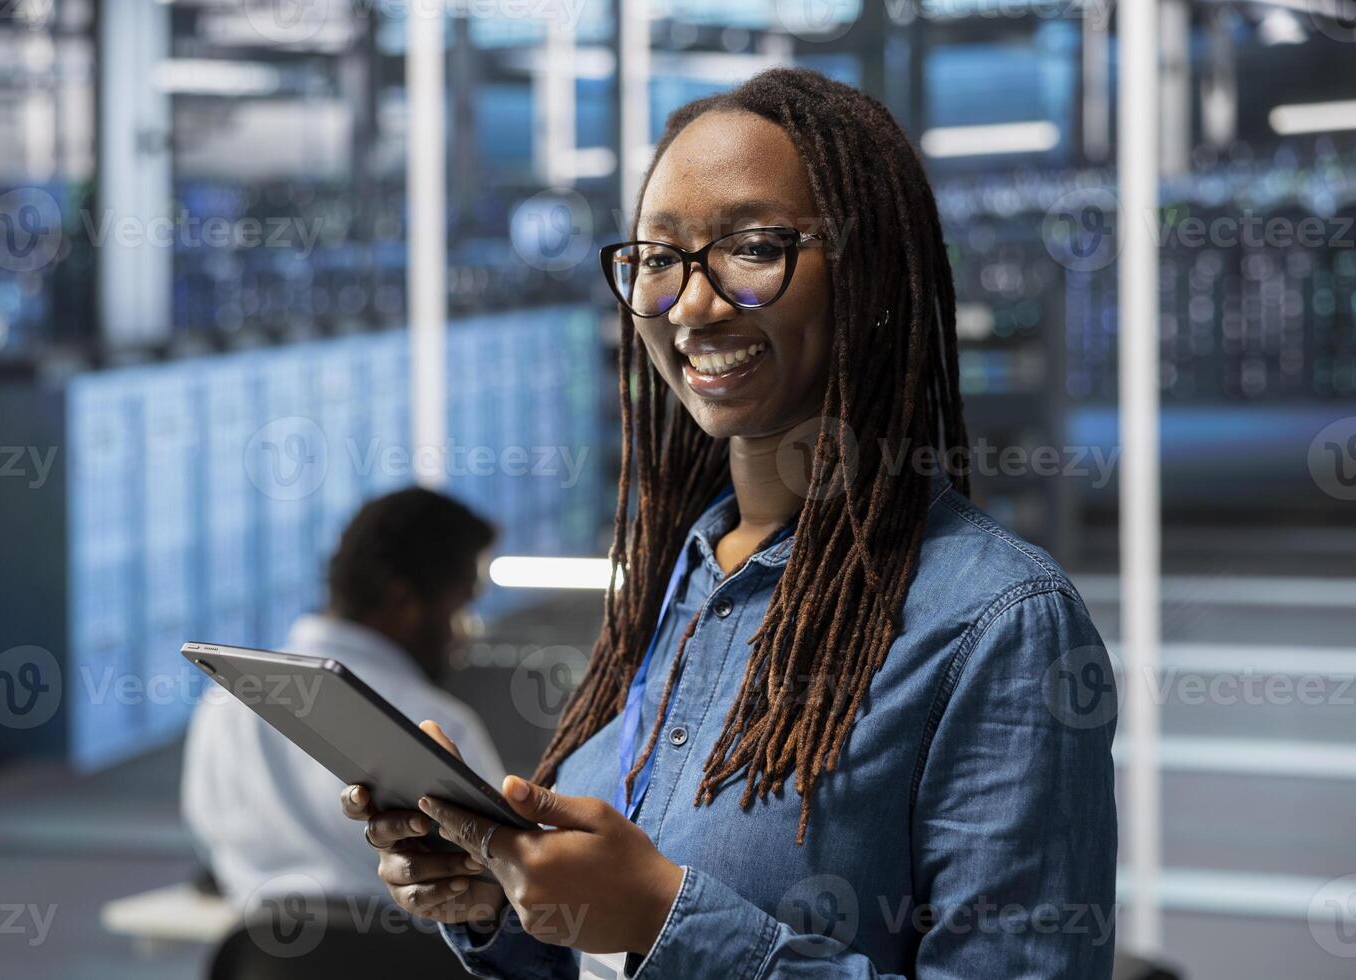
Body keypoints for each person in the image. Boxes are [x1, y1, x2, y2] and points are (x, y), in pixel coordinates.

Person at [339, 68, 1119, 978]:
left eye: (751, 247)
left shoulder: (998, 622)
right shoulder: (679, 583)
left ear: (869, 273)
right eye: (658, 258)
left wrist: (664, 916)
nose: (693, 304)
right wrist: (499, 900)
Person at [183, 487, 505, 911]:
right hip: (405, 946)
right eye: (461, 607)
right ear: (404, 602)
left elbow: (207, 837)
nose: (464, 631)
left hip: (257, 944)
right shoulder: (437, 724)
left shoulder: (226, 700)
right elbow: (503, 870)